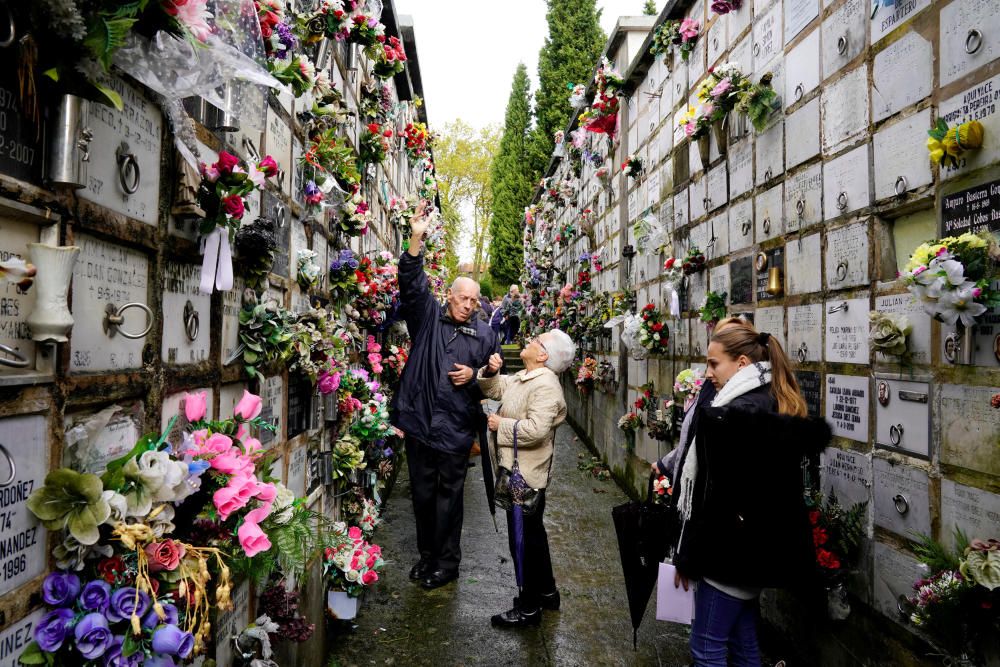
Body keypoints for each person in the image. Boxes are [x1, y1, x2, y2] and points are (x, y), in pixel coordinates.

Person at [670, 326, 831, 666]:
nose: (708, 374)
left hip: (727, 555)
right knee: (744, 647)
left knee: (707, 647)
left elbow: (719, 495)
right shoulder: (763, 399)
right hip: (750, 554)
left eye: (714, 364)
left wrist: (687, 556)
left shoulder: (737, 414)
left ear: (741, 363)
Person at [390, 201, 501, 590]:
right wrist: (417, 238)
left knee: (448, 500)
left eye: (475, 301)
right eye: (463, 298)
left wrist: (479, 374)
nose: (469, 306)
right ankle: (426, 557)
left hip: (454, 430)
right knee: (421, 496)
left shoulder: (486, 335)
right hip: (421, 425)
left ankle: (447, 563)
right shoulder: (427, 319)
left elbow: (492, 386)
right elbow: (411, 280)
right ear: (449, 296)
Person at [477, 329, 575, 628]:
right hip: (519, 471)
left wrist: (500, 424)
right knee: (534, 535)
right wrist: (490, 371)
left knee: (521, 539)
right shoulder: (526, 377)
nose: (530, 341)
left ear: (543, 355)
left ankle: (529, 608)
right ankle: (547, 592)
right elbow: (496, 389)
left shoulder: (546, 387)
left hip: (524, 476)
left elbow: (536, 430)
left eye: (536, 341)